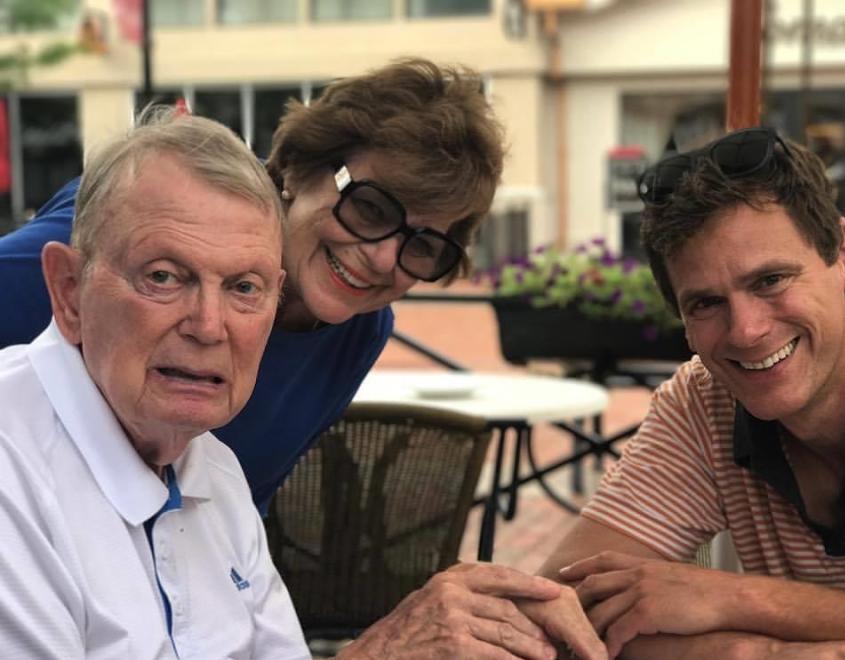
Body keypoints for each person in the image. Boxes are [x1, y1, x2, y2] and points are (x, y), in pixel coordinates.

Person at [0, 110, 617, 660]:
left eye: (244, 288)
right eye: (164, 277)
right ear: (68, 292)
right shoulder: (18, 473)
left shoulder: (210, 464)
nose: (210, 327)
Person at [540, 127, 845, 660]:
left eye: (769, 281)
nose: (745, 331)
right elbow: (563, 603)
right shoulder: (703, 402)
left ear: (843, 258)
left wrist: (742, 600)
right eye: (706, 303)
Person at [0, 58, 504, 515]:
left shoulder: (359, 329)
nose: (383, 257)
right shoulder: (140, 220)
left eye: (422, 245)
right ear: (298, 168)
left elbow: (231, 512)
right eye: (370, 208)